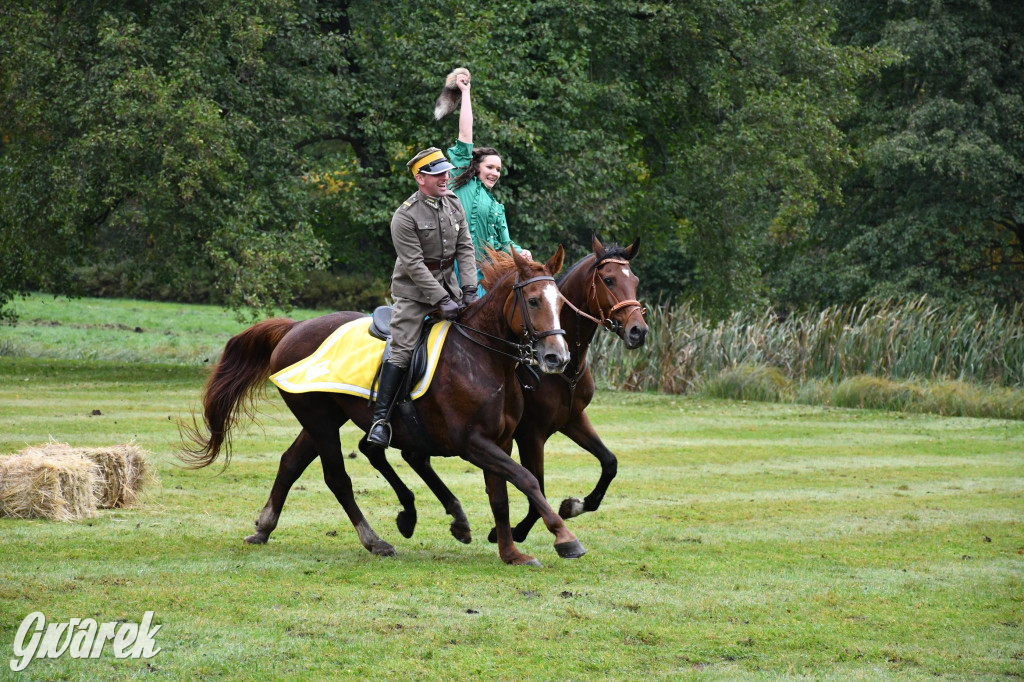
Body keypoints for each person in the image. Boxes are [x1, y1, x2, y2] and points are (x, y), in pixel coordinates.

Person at [367, 147, 478, 448]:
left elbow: (465, 248)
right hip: (415, 295)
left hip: (452, 289)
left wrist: (469, 290)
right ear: (420, 178)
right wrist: (441, 300)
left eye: (446, 172)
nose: (446, 177)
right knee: (402, 349)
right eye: (438, 174)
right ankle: (380, 421)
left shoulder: (454, 203)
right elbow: (414, 266)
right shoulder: (404, 216)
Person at [446, 72, 531, 293]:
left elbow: (504, 245)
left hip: (487, 280)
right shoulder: (461, 181)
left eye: (499, 169)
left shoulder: (496, 206)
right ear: (475, 167)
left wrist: (521, 253)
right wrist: (465, 93)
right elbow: (465, 133)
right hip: (453, 273)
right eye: (490, 167)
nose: (495, 173)